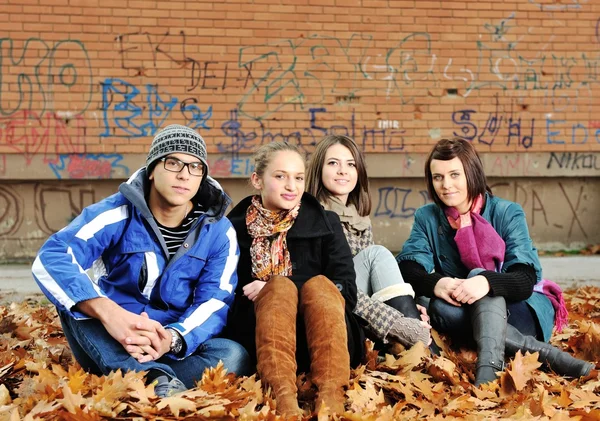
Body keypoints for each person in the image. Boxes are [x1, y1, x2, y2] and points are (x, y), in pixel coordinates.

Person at [32, 124, 251, 397]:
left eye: (195, 167)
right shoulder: (118, 213)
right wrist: (110, 314)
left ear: (202, 177)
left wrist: (171, 339)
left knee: (233, 354)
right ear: (152, 170)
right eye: (173, 163)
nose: (184, 175)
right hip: (113, 340)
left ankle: (151, 380)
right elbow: (52, 256)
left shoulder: (218, 231)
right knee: (73, 300)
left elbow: (215, 300)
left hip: (170, 347)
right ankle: (154, 379)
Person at [397, 137, 594, 386]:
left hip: (520, 309)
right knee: (439, 307)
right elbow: (407, 266)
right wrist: (437, 283)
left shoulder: (506, 212)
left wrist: (484, 281)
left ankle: (488, 368)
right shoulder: (428, 217)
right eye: (438, 177)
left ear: (472, 172)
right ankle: (547, 356)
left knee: (478, 274)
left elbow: (525, 277)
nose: (446, 185)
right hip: (460, 309)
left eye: (455, 174)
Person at [224, 142, 364, 417]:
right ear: (257, 180)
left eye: (298, 178)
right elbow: (227, 293)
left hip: (326, 336)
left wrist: (282, 283)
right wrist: (274, 288)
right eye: (280, 176)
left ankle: (330, 400)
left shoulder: (326, 222)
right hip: (262, 336)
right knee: (278, 289)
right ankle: (283, 399)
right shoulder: (233, 229)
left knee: (318, 285)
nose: (292, 186)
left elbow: (346, 290)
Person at [306, 134, 430, 349]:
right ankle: (428, 353)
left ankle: (421, 353)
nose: (343, 171)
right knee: (378, 254)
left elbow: (373, 283)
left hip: (361, 306)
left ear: (358, 171)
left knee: (419, 304)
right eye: (333, 163)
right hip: (333, 303)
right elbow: (337, 286)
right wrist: (397, 321)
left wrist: (406, 308)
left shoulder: (360, 218)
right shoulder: (313, 216)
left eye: (351, 164)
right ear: (319, 169)